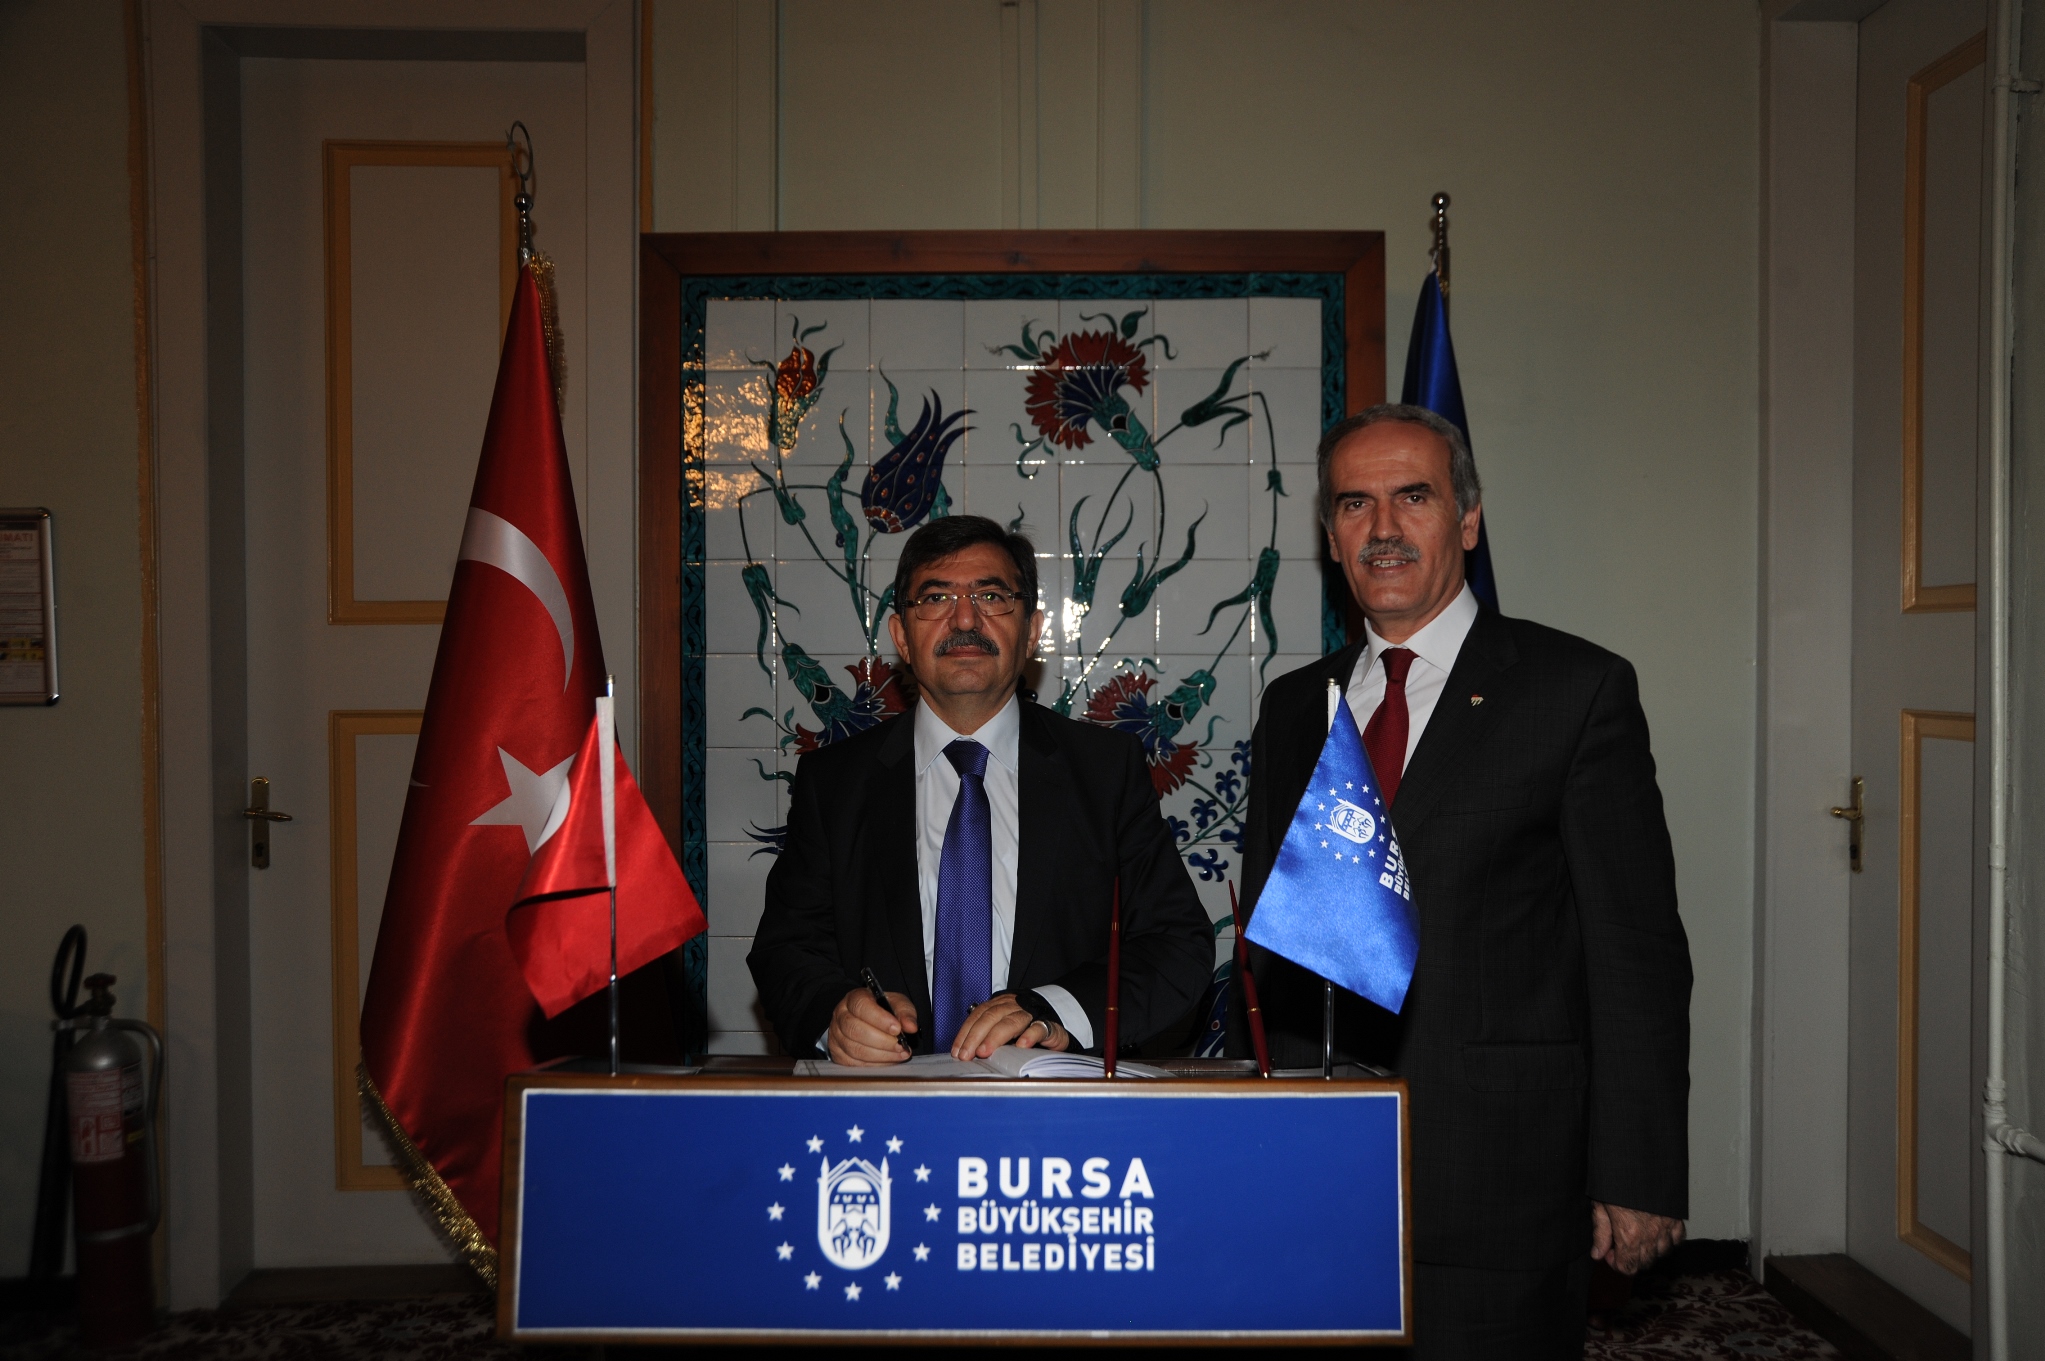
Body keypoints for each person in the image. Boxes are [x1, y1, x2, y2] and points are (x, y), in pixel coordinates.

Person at [1231, 406, 1692, 1358]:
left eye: (1414, 496)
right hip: (1314, 1166)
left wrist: (1637, 1169)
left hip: (1500, 1178)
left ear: (1468, 519)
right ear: (1329, 535)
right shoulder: (1293, 706)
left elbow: (1635, 951)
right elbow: (1269, 950)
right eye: (1353, 504)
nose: (1382, 528)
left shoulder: (1575, 690)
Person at [749, 515, 1211, 1065]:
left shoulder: (1106, 771)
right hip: (884, 1101)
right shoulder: (834, 782)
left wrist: (1053, 1009)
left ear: (1032, 631)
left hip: (1055, 1101)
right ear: (901, 636)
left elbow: (1175, 947)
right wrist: (836, 1018)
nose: (965, 619)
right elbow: (786, 950)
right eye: (935, 598)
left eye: (991, 596)